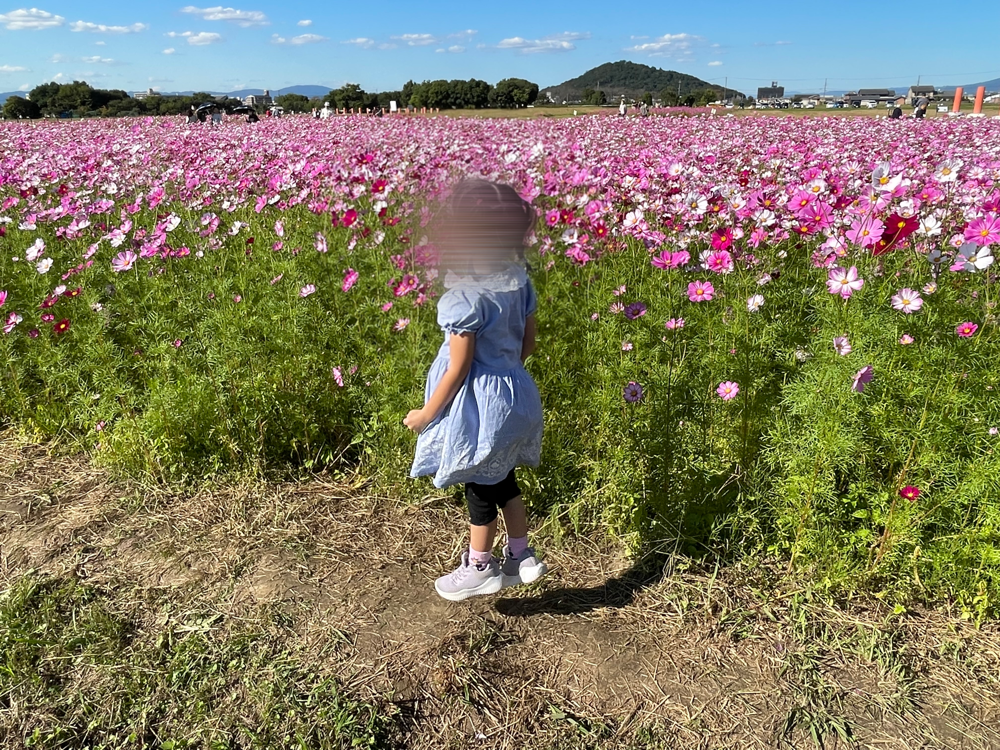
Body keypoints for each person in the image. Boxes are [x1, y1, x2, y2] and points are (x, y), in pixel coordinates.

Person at [405, 179, 547, 602]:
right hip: (516, 393)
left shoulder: (466, 297)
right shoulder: (519, 281)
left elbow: (458, 368)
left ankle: (480, 567)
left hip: (480, 407)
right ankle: (521, 556)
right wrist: (505, 374)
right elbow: (528, 344)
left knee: (479, 489)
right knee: (504, 479)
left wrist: (426, 414)